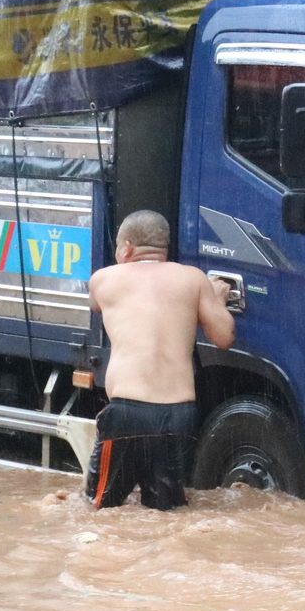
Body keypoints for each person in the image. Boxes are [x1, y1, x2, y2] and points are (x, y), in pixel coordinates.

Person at [84, 210, 235, 511]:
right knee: (167, 516)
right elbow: (224, 338)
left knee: (97, 511)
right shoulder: (193, 280)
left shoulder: (103, 280)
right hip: (178, 418)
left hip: (127, 413)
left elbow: (97, 307)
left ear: (126, 248)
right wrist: (216, 300)